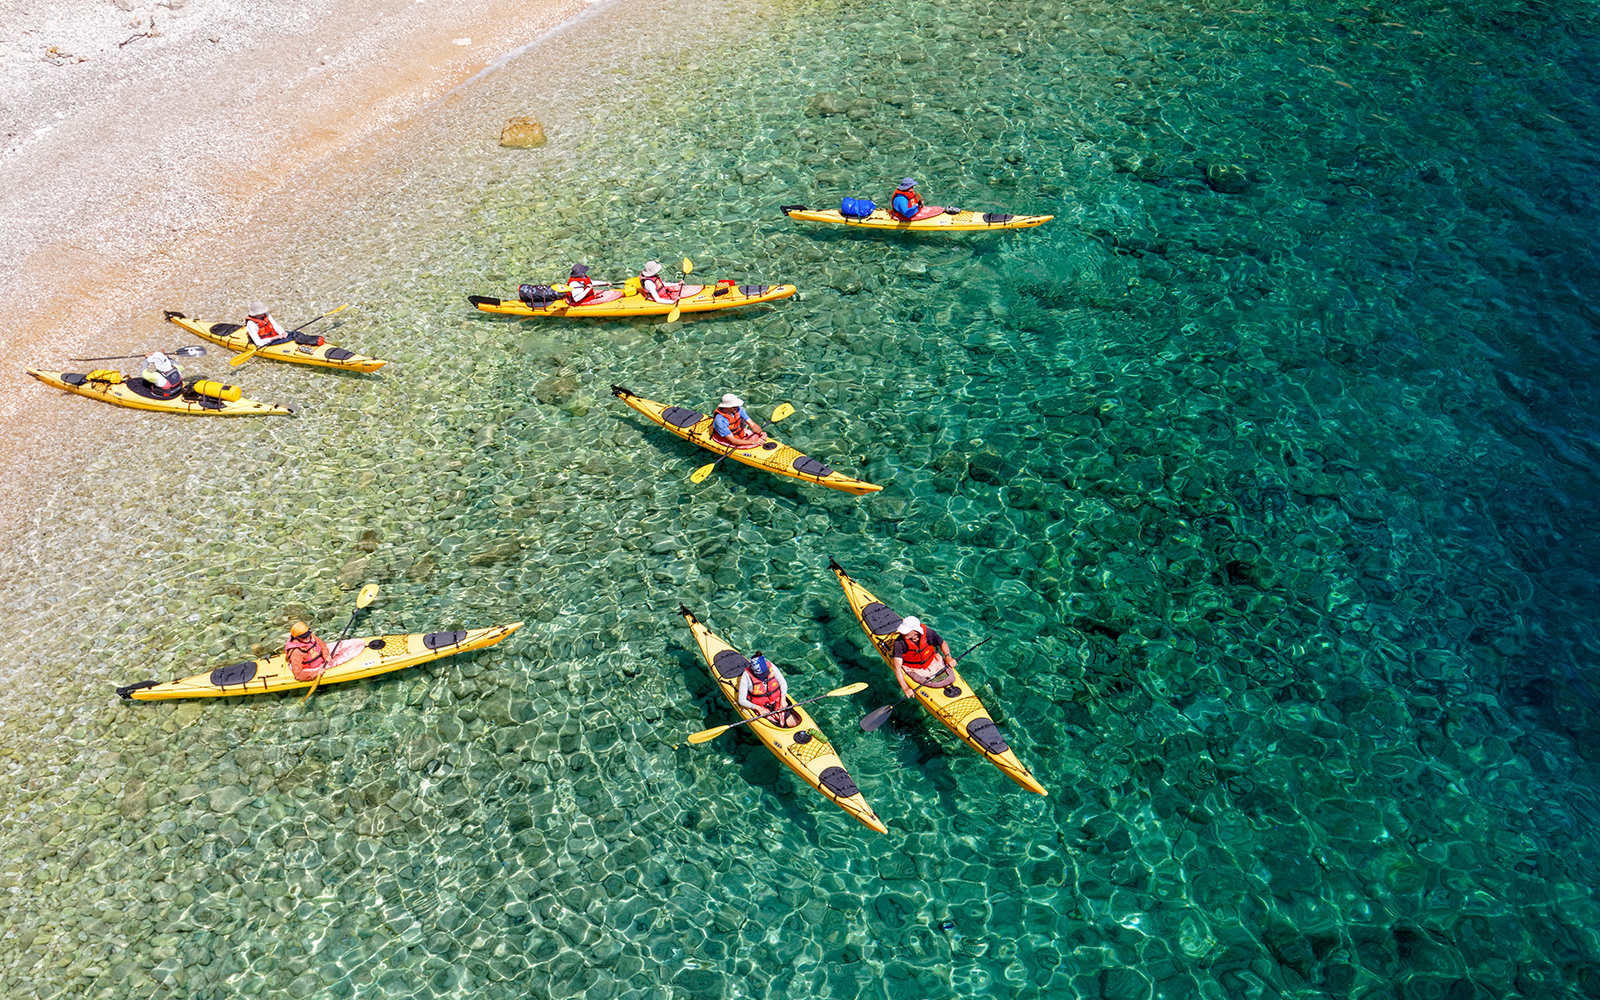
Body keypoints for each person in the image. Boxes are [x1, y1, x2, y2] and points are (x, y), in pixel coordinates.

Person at [891, 615, 959, 694]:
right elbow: (897, 667)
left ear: (915, 631)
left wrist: (948, 656)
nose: (902, 633)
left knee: (950, 677)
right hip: (914, 668)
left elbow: (942, 643)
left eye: (905, 631)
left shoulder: (929, 633)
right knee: (934, 681)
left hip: (932, 661)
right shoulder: (899, 643)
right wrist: (905, 688)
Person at [738, 652, 799, 728]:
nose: (764, 676)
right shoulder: (746, 676)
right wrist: (758, 708)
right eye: (761, 675)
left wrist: (783, 698)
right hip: (761, 707)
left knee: (792, 723)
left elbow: (783, 683)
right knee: (776, 726)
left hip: (778, 702)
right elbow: (741, 700)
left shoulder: (771, 666)